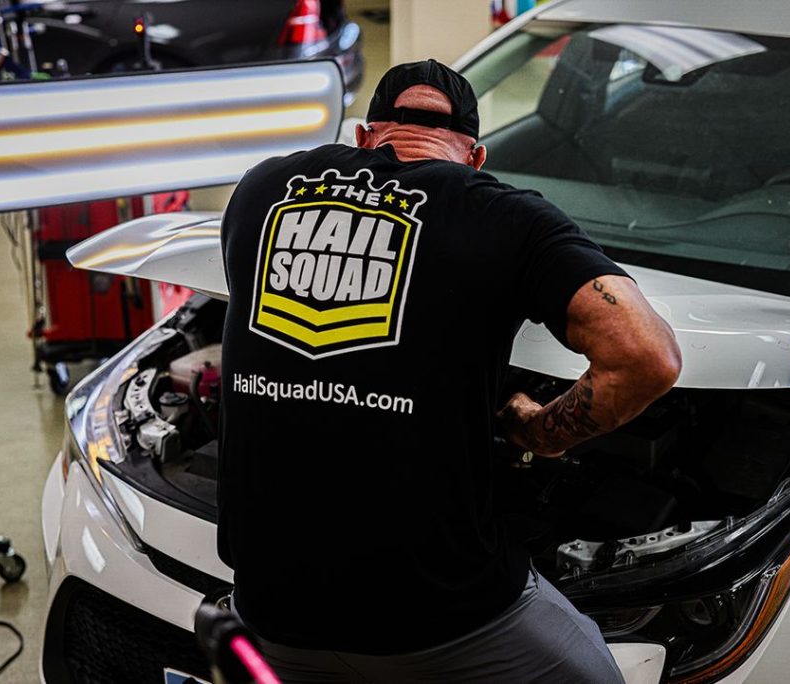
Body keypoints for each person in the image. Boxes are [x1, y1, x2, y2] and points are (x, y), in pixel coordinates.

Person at [218, 59, 682, 683]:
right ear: (476, 155)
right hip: (443, 620)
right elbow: (647, 356)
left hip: (267, 609)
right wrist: (534, 432)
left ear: (364, 136)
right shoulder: (504, 216)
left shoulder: (260, 189)